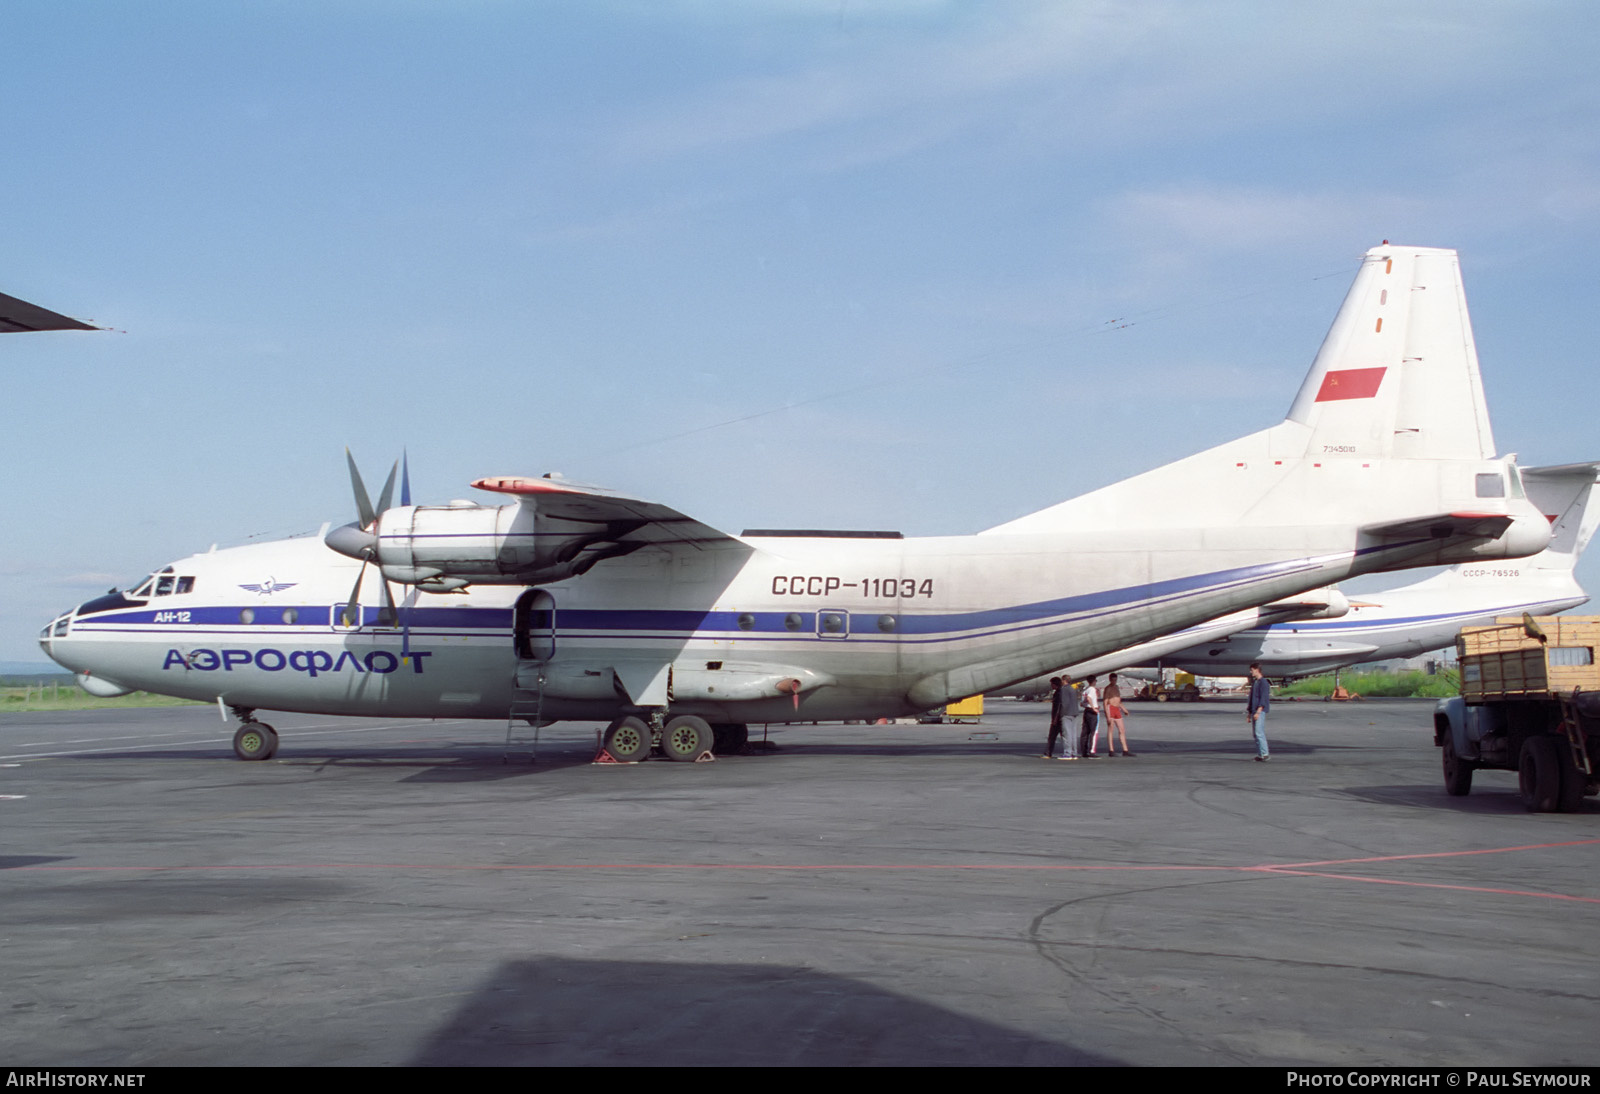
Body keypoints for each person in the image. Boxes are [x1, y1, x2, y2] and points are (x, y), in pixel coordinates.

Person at [1104, 672, 1133, 756]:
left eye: (1115, 680)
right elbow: (1105, 702)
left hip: (1117, 709)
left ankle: (1125, 750)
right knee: (1111, 729)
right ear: (1110, 680)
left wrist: (1124, 709)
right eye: (1113, 680)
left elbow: (1119, 700)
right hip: (1110, 708)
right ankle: (1111, 750)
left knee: (1122, 729)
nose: (1114, 682)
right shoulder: (1108, 688)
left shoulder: (1116, 687)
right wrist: (1108, 715)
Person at [1247, 662, 1271, 761]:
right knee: (1255, 733)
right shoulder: (1255, 682)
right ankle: (1260, 754)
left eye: (1252, 670)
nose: (1250, 672)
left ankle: (1265, 754)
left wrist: (1258, 712)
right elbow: (1251, 698)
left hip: (1259, 711)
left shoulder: (1263, 682)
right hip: (1254, 710)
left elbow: (1263, 698)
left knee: (1259, 732)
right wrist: (1249, 713)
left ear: (1257, 670)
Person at [1056, 675, 1081, 760]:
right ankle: (1074, 753)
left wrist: (1061, 714)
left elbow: (1064, 703)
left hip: (1066, 714)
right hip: (1074, 713)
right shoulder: (1072, 689)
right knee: (1073, 734)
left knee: (1067, 734)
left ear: (1063, 680)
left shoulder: (1063, 689)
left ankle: (1067, 753)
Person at [1043, 677, 1065, 758]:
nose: (1051, 686)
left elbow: (1058, 707)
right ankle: (1070, 752)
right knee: (1064, 737)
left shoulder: (1058, 693)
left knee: (1052, 736)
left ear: (1054, 684)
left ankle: (1048, 752)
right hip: (1061, 718)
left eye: (1052, 684)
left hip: (1057, 718)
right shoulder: (1061, 692)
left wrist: (1055, 719)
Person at [1080, 674, 1101, 757]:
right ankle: (1092, 751)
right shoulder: (1092, 689)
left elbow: (1082, 703)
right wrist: (1094, 708)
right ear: (1094, 681)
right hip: (1092, 712)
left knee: (1085, 732)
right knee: (1094, 732)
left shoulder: (1085, 689)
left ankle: (1084, 751)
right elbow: (1089, 698)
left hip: (1086, 711)